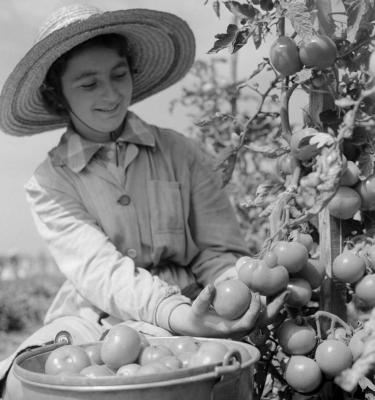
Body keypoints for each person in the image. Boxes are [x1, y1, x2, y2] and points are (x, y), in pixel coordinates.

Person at [0, 4, 288, 398]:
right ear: (57, 94)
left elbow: (218, 251)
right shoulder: (50, 182)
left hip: (191, 301)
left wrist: (233, 291)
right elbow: (101, 271)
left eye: (119, 75)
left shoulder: (181, 152)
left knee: (213, 375)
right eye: (88, 84)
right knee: (24, 380)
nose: (111, 93)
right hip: (94, 313)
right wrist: (179, 316)